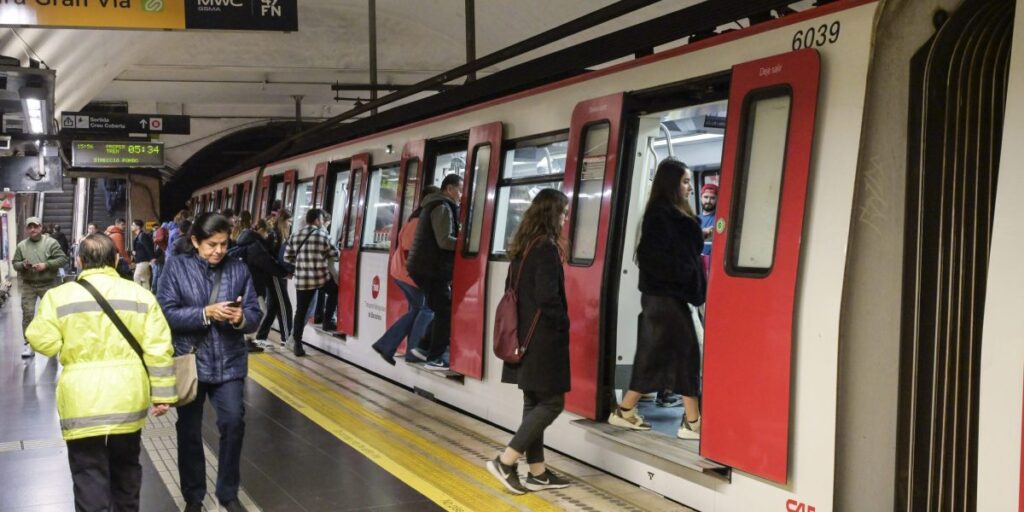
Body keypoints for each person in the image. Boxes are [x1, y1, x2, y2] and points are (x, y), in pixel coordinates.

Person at [25, 233, 176, 511]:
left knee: (87, 474)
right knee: (127, 469)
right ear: (117, 259)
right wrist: (163, 394)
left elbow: (42, 342)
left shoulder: (58, 297)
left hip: (81, 402)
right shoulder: (141, 296)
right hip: (127, 398)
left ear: (80, 261)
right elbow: (159, 348)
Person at [157, 213, 261, 512]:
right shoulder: (176, 267)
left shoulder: (239, 269)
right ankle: (193, 496)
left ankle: (227, 493)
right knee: (188, 430)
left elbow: (254, 312)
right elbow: (166, 312)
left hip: (229, 361)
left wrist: (241, 318)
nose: (218, 251)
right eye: (211, 244)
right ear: (194, 241)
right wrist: (205, 313)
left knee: (233, 423)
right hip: (191, 359)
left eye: (224, 244)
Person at [608, 159, 706, 440]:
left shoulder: (662, 215)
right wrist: (686, 277)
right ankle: (692, 423)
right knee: (684, 355)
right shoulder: (663, 217)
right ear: (672, 183)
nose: (689, 187)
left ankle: (626, 411)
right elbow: (666, 260)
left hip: (663, 299)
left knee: (657, 357)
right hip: (666, 299)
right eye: (686, 181)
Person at [487, 189, 573, 494]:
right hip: (543, 341)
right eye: (563, 213)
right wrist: (564, 323)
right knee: (552, 402)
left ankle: (538, 472)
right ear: (552, 215)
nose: (565, 219)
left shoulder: (523, 247)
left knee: (533, 401)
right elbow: (548, 297)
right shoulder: (546, 249)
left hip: (524, 338)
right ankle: (506, 460)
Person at [371, 185, 440, 365]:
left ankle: (389, 346)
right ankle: (407, 350)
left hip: (404, 272)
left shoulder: (417, 218)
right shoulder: (418, 221)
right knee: (427, 308)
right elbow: (411, 249)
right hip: (408, 273)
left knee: (417, 309)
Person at [406, 174, 463, 370]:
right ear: (449, 189)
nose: (461, 195)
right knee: (445, 311)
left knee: (441, 309)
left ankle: (423, 347)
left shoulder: (433, 205)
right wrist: (468, 243)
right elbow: (445, 240)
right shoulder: (442, 207)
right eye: (459, 189)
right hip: (431, 269)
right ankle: (435, 357)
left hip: (425, 268)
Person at [283, 208, 338, 356]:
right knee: (336, 292)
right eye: (321, 219)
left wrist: (301, 262)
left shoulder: (295, 235)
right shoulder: (323, 235)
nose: (322, 222)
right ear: (316, 220)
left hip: (303, 280)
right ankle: (328, 320)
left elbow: (287, 257)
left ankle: (297, 345)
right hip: (320, 278)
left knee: (300, 311)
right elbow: (335, 254)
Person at [12, 216, 68, 358]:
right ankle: (28, 344)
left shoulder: (51, 243)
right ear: (26, 229)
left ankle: (56, 343)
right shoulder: (21, 246)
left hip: (48, 284)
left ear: (41, 227)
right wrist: (22, 265)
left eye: (35, 226)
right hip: (28, 285)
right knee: (28, 314)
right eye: (30, 227)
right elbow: (15, 263)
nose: (33, 229)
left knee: (52, 315)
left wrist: (46, 265)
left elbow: (62, 259)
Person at [255, 209, 293, 347]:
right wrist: (282, 272)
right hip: (274, 275)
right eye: (289, 221)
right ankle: (287, 338)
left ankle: (261, 337)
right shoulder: (275, 236)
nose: (290, 224)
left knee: (273, 307)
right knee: (285, 306)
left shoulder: (275, 235)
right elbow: (270, 259)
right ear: (283, 221)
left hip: (274, 274)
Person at [130, 219, 156, 291]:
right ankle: (147, 295)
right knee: (144, 279)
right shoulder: (138, 236)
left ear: (138, 227)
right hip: (140, 260)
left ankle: (138, 293)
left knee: (136, 277)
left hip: (144, 260)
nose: (131, 226)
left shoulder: (143, 236)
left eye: (133, 225)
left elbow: (148, 247)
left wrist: (152, 258)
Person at [698, 183, 718, 256]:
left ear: (717, 199)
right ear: (701, 198)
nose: (708, 201)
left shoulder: (720, 219)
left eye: (712, 198)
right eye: (705, 197)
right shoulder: (694, 219)